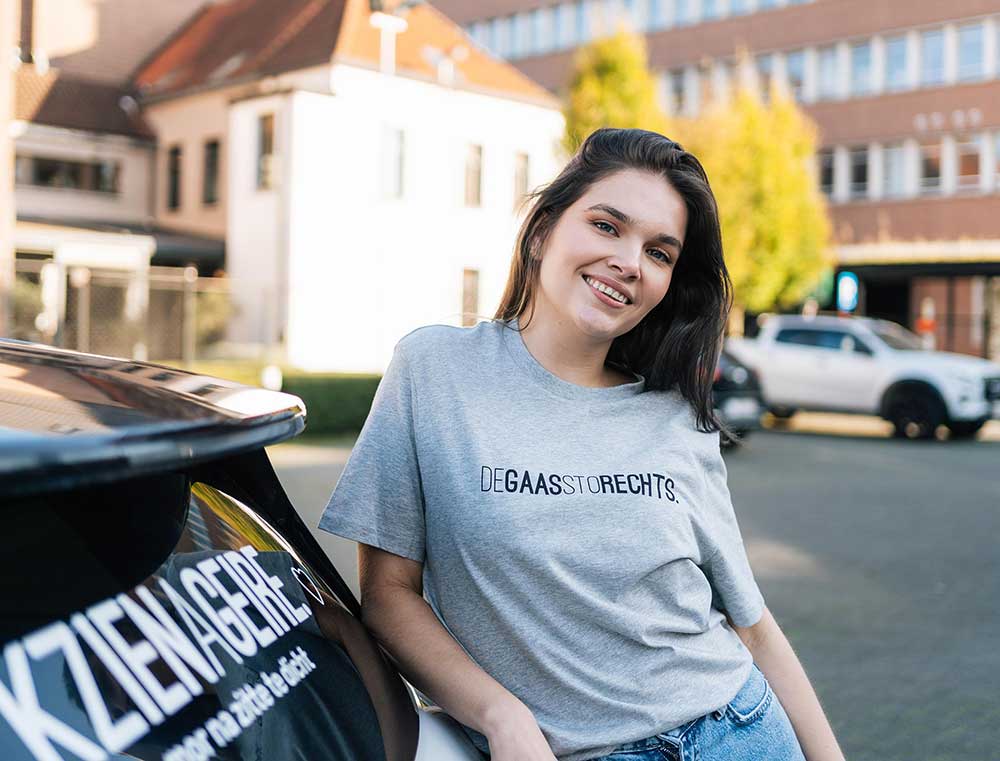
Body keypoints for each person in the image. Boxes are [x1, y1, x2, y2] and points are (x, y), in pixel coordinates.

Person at [318, 128, 845, 761]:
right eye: (606, 226)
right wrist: (501, 716)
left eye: (659, 252)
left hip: (739, 732)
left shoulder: (674, 416)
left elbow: (752, 628)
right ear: (542, 232)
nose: (630, 260)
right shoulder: (434, 370)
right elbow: (386, 595)